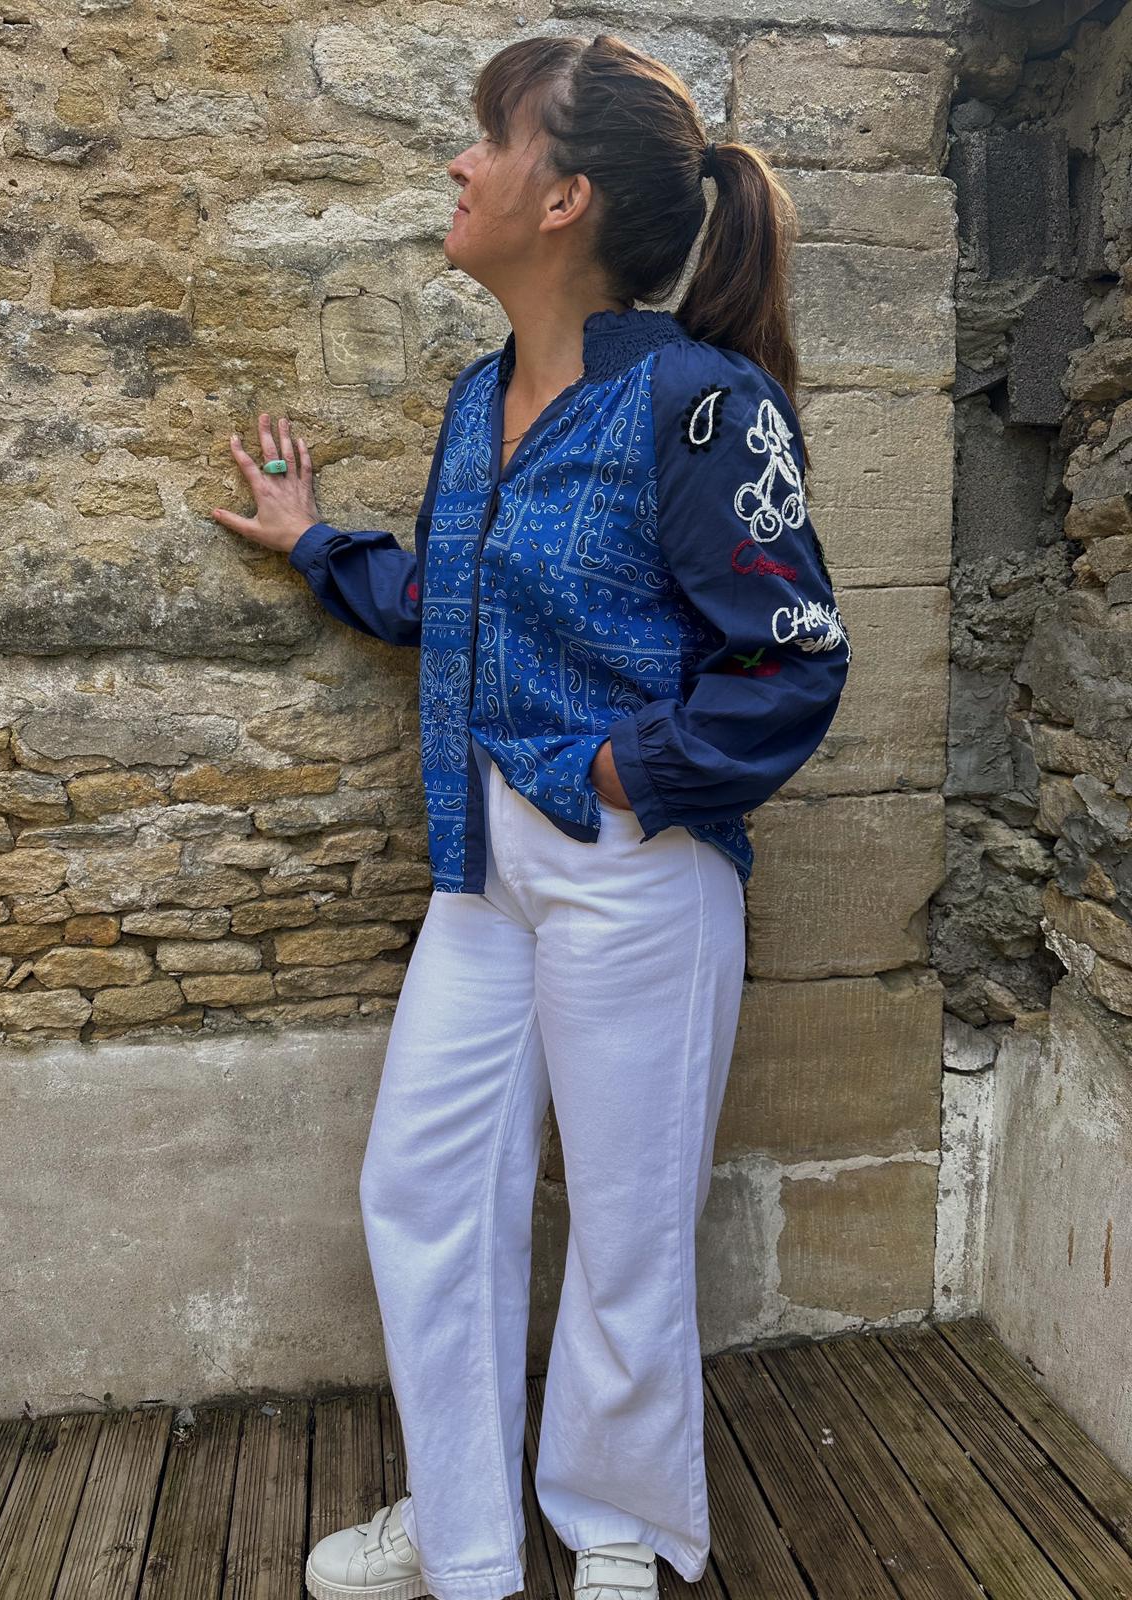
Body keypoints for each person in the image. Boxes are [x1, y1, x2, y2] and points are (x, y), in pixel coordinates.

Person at [212, 32, 851, 1600]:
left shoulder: (698, 407)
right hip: (479, 875)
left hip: (636, 873)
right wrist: (316, 544)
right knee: (423, 1189)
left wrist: (629, 774)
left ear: (562, 198)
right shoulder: (478, 398)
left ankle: (615, 1524)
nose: (460, 162)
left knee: (629, 1222)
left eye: (489, 137)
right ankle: (467, 1535)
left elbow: (793, 659)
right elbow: (460, 599)